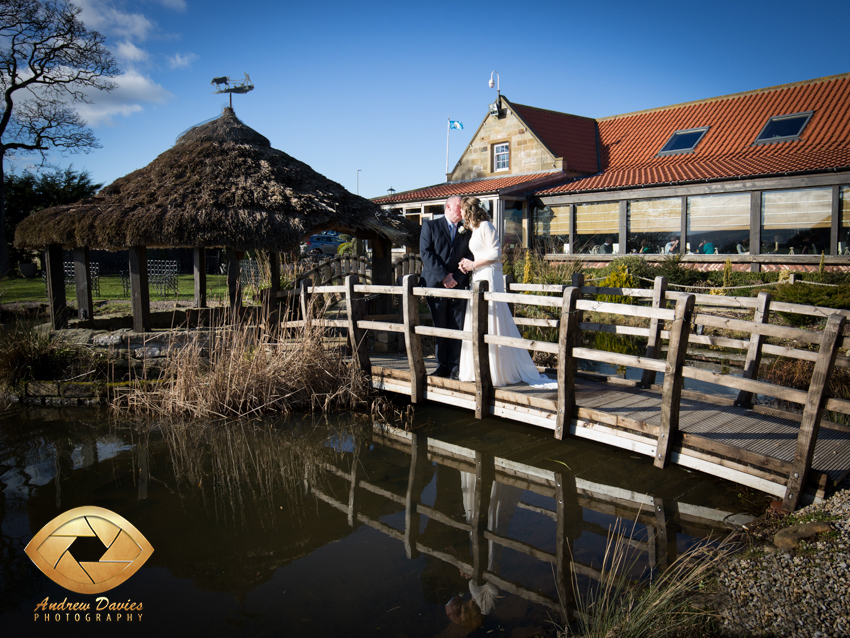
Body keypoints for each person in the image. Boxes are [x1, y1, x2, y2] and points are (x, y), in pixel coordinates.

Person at [456, 197, 557, 388]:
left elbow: (496, 253)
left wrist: (473, 264)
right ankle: (478, 368)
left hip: (489, 275)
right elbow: (480, 254)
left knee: (493, 317)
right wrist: (467, 264)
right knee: (477, 317)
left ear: (469, 210)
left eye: (462, 209)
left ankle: (497, 370)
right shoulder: (474, 229)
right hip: (478, 276)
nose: (460, 213)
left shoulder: (486, 226)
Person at [420, 195, 475, 380]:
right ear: (448, 207)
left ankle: (455, 366)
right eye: (460, 206)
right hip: (435, 284)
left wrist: (455, 278)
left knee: (457, 325)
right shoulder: (430, 226)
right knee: (440, 325)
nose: (463, 209)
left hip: (458, 284)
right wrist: (444, 276)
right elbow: (426, 253)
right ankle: (441, 366)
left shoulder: (466, 230)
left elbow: (470, 255)